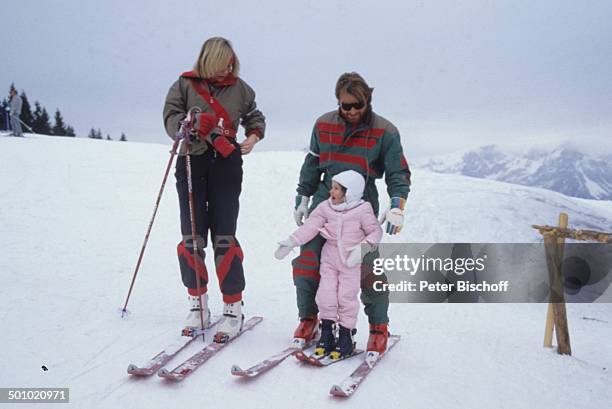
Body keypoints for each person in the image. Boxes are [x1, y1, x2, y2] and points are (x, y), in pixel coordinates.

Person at [290, 72, 411, 358]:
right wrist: (303, 198)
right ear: (338, 103)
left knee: (367, 268)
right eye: (347, 106)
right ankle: (309, 319)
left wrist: (397, 205)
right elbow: (312, 162)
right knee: (308, 261)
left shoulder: (385, 131)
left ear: (368, 100)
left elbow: (398, 172)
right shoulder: (323, 124)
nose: (353, 111)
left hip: (361, 202)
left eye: (359, 104)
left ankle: (379, 328)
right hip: (326, 199)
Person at [163, 37, 265, 342]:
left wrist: (254, 136)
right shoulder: (184, 84)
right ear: (210, 60)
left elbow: (254, 116)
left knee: (224, 235)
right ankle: (198, 305)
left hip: (226, 162)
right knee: (192, 236)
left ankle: (233, 307)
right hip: (191, 163)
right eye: (223, 64)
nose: (228, 69)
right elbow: (170, 118)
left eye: (231, 64)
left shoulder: (241, 88)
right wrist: (188, 123)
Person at [275, 170, 382, 359]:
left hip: (351, 261)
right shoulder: (326, 207)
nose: (331, 191)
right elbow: (310, 226)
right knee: (325, 295)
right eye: (332, 187)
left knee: (346, 298)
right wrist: (291, 241)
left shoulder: (362, 209)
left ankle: (346, 336)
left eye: (337, 189)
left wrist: (363, 248)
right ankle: (326, 332)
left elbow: (375, 231)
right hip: (330, 258)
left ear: (350, 192)